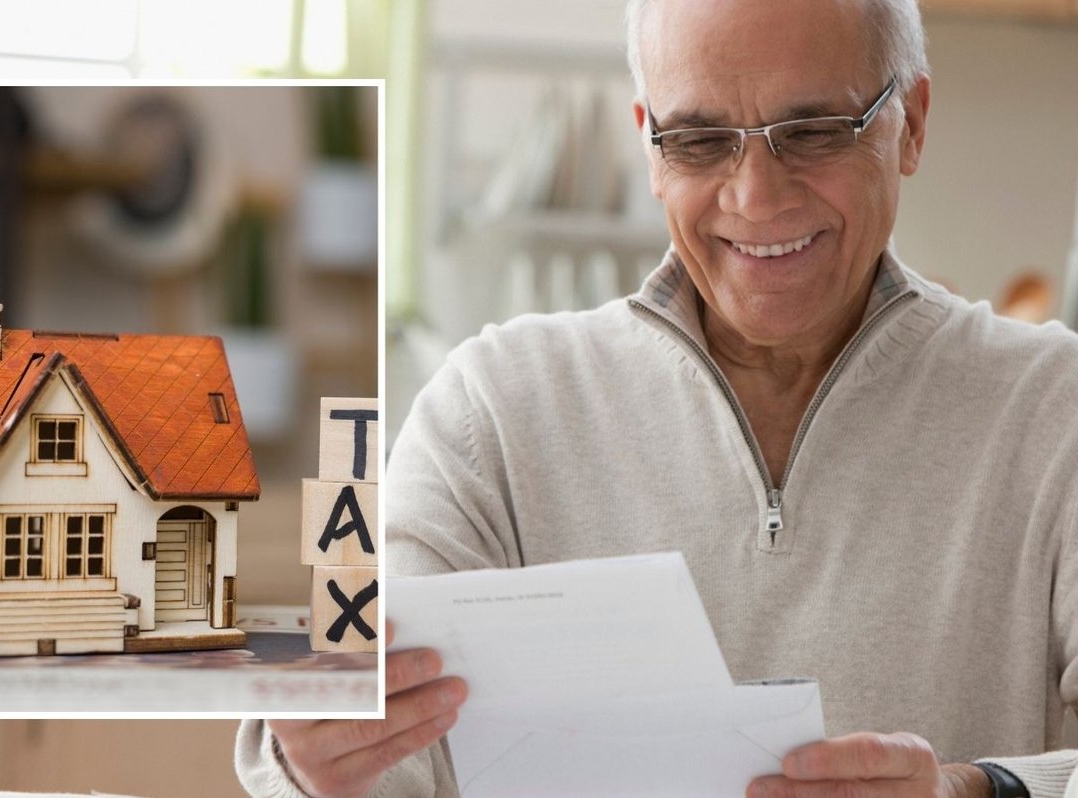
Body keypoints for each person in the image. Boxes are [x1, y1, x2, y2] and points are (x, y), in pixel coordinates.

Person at [237, 0, 1078, 795]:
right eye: (701, 141)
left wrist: (977, 788)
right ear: (649, 147)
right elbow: (368, 748)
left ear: (912, 125)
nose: (755, 197)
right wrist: (311, 755)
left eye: (814, 131)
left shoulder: (1054, 413)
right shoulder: (490, 411)